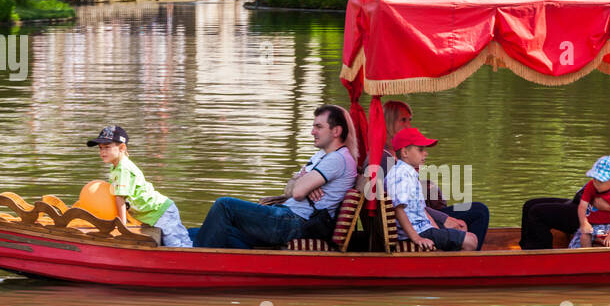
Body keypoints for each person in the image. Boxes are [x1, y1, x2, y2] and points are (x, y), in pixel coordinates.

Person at [193, 106, 358, 249]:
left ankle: (198, 260)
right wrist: (305, 183)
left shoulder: (337, 159)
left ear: (336, 131)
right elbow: (289, 189)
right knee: (216, 229)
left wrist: (302, 183)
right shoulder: (322, 156)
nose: (312, 131)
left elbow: (298, 192)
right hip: (286, 215)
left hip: (296, 222)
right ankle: (244, 266)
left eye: (318, 126)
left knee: (224, 206)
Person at [519, 96, 610, 249]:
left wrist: (608, 207)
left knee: (537, 213)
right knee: (530, 205)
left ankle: (540, 261)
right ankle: (525, 253)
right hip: (594, 206)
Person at [379, 100, 490, 250]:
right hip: (416, 229)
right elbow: (399, 208)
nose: (408, 125)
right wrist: (426, 231)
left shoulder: (405, 167)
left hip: (422, 223)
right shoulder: (391, 165)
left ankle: (456, 258)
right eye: (403, 120)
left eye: (409, 120)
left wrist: (439, 228)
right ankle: (466, 266)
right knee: (477, 217)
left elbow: (421, 208)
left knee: (471, 233)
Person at [87, 125, 191, 248]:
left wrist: (123, 226)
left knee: (177, 245)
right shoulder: (115, 166)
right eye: (100, 148)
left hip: (161, 211)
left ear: (122, 148)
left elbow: (120, 198)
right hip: (150, 214)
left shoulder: (123, 168)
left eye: (107, 147)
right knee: (173, 242)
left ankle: (195, 260)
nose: (102, 152)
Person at [386, 127, 478, 251]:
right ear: (405, 153)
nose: (426, 153)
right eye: (420, 150)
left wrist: (436, 230)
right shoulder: (400, 175)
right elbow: (398, 209)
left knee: (466, 232)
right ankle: (455, 268)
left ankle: (448, 264)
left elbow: (422, 210)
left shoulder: (408, 174)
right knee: (470, 241)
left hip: (423, 228)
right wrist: (417, 238)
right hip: (416, 232)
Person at [570, 157, 610, 248]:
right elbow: (582, 206)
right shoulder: (591, 185)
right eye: (594, 179)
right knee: (574, 243)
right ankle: (578, 257)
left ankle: (588, 259)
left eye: (600, 181)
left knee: (585, 236)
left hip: (607, 225)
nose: (595, 183)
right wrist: (584, 223)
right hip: (591, 223)